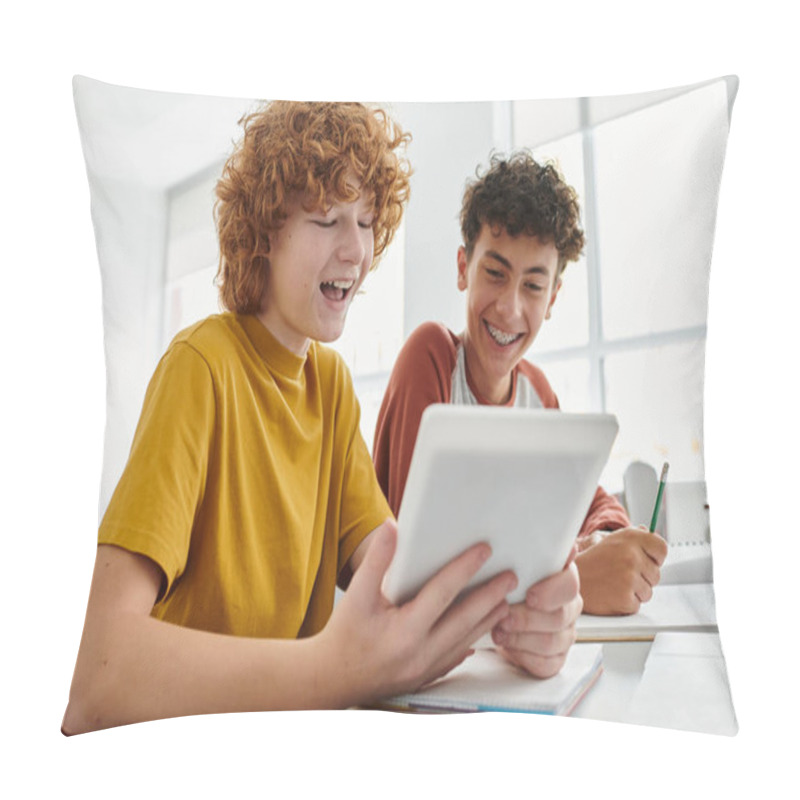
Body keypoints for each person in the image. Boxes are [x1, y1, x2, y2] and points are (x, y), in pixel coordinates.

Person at [62, 104, 581, 735]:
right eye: (326, 218)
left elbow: (397, 575)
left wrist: (527, 616)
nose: (356, 247)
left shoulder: (330, 386)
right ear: (264, 234)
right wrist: (332, 670)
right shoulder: (201, 367)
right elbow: (97, 678)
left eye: (365, 221)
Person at [373, 152, 668, 620]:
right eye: (494, 274)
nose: (510, 309)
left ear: (552, 299)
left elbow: (590, 499)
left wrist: (607, 539)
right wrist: (579, 581)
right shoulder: (429, 357)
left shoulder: (538, 394)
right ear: (462, 268)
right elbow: (420, 564)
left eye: (533, 286)